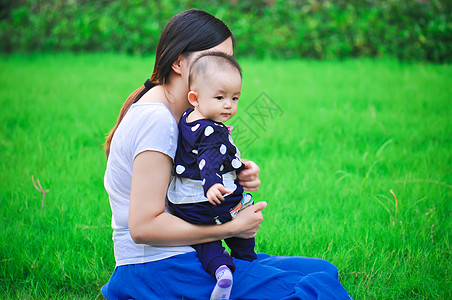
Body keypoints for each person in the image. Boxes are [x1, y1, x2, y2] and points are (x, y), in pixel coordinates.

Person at [102, 8, 351, 300]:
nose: (222, 68)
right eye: (213, 58)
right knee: (315, 290)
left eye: (228, 60)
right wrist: (233, 227)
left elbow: (191, 175)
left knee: (321, 270)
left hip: (184, 256)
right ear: (180, 63)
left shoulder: (183, 113)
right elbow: (143, 227)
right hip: (159, 268)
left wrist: (236, 171)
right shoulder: (157, 120)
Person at [167, 52, 256, 300]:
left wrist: (241, 165)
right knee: (241, 217)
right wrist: (213, 185)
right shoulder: (213, 131)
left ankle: (221, 269)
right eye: (220, 97)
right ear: (194, 97)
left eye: (234, 98)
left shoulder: (188, 117)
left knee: (206, 238)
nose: (228, 105)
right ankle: (246, 260)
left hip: (184, 203)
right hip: (211, 197)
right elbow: (209, 160)